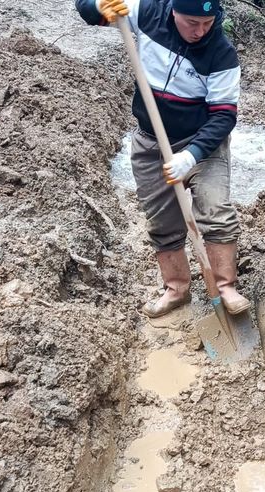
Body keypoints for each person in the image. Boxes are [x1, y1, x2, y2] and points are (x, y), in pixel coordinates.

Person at [76, 0, 249, 317]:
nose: (199, 31)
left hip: (202, 144)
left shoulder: (221, 53)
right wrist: (96, 5)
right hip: (151, 140)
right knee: (161, 220)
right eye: (191, 22)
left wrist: (191, 155)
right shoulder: (147, 12)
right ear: (173, 11)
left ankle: (225, 287)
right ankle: (177, 289)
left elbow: (224, 116)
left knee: (215, 209)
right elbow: (86, 11)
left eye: (207, 23)